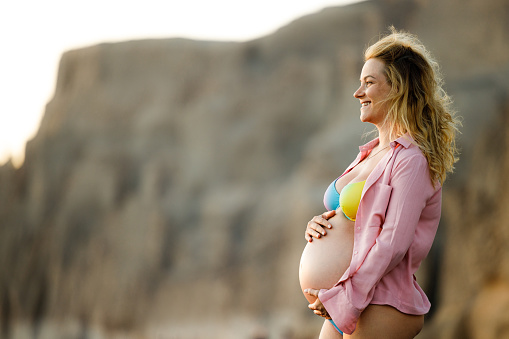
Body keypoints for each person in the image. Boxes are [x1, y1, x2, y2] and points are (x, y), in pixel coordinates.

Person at [298, 27, 461, 338]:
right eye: (360, 83)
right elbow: (352, 219)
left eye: (369, 83)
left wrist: (345, 296)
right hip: (343, 304)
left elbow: (392, 244)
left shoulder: (411, 160)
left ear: (398, 88)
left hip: (376, 302)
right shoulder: (369, 153)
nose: (358, 93)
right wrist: (318, 226)